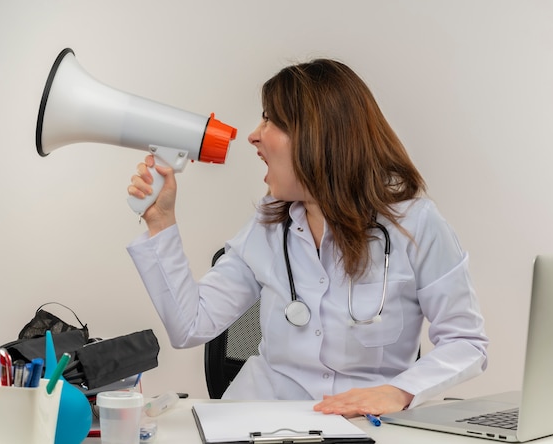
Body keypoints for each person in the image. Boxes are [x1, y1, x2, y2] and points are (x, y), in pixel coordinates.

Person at [126, 59, 488, 417]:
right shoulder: (268, 224)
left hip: (365, 425)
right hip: (259, 419)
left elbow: (465, 341)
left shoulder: (415, 224)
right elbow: (191, 325)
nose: (253, 134)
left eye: (269, 119)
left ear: (317, 135)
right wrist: (161, 222)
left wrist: (399, 392)